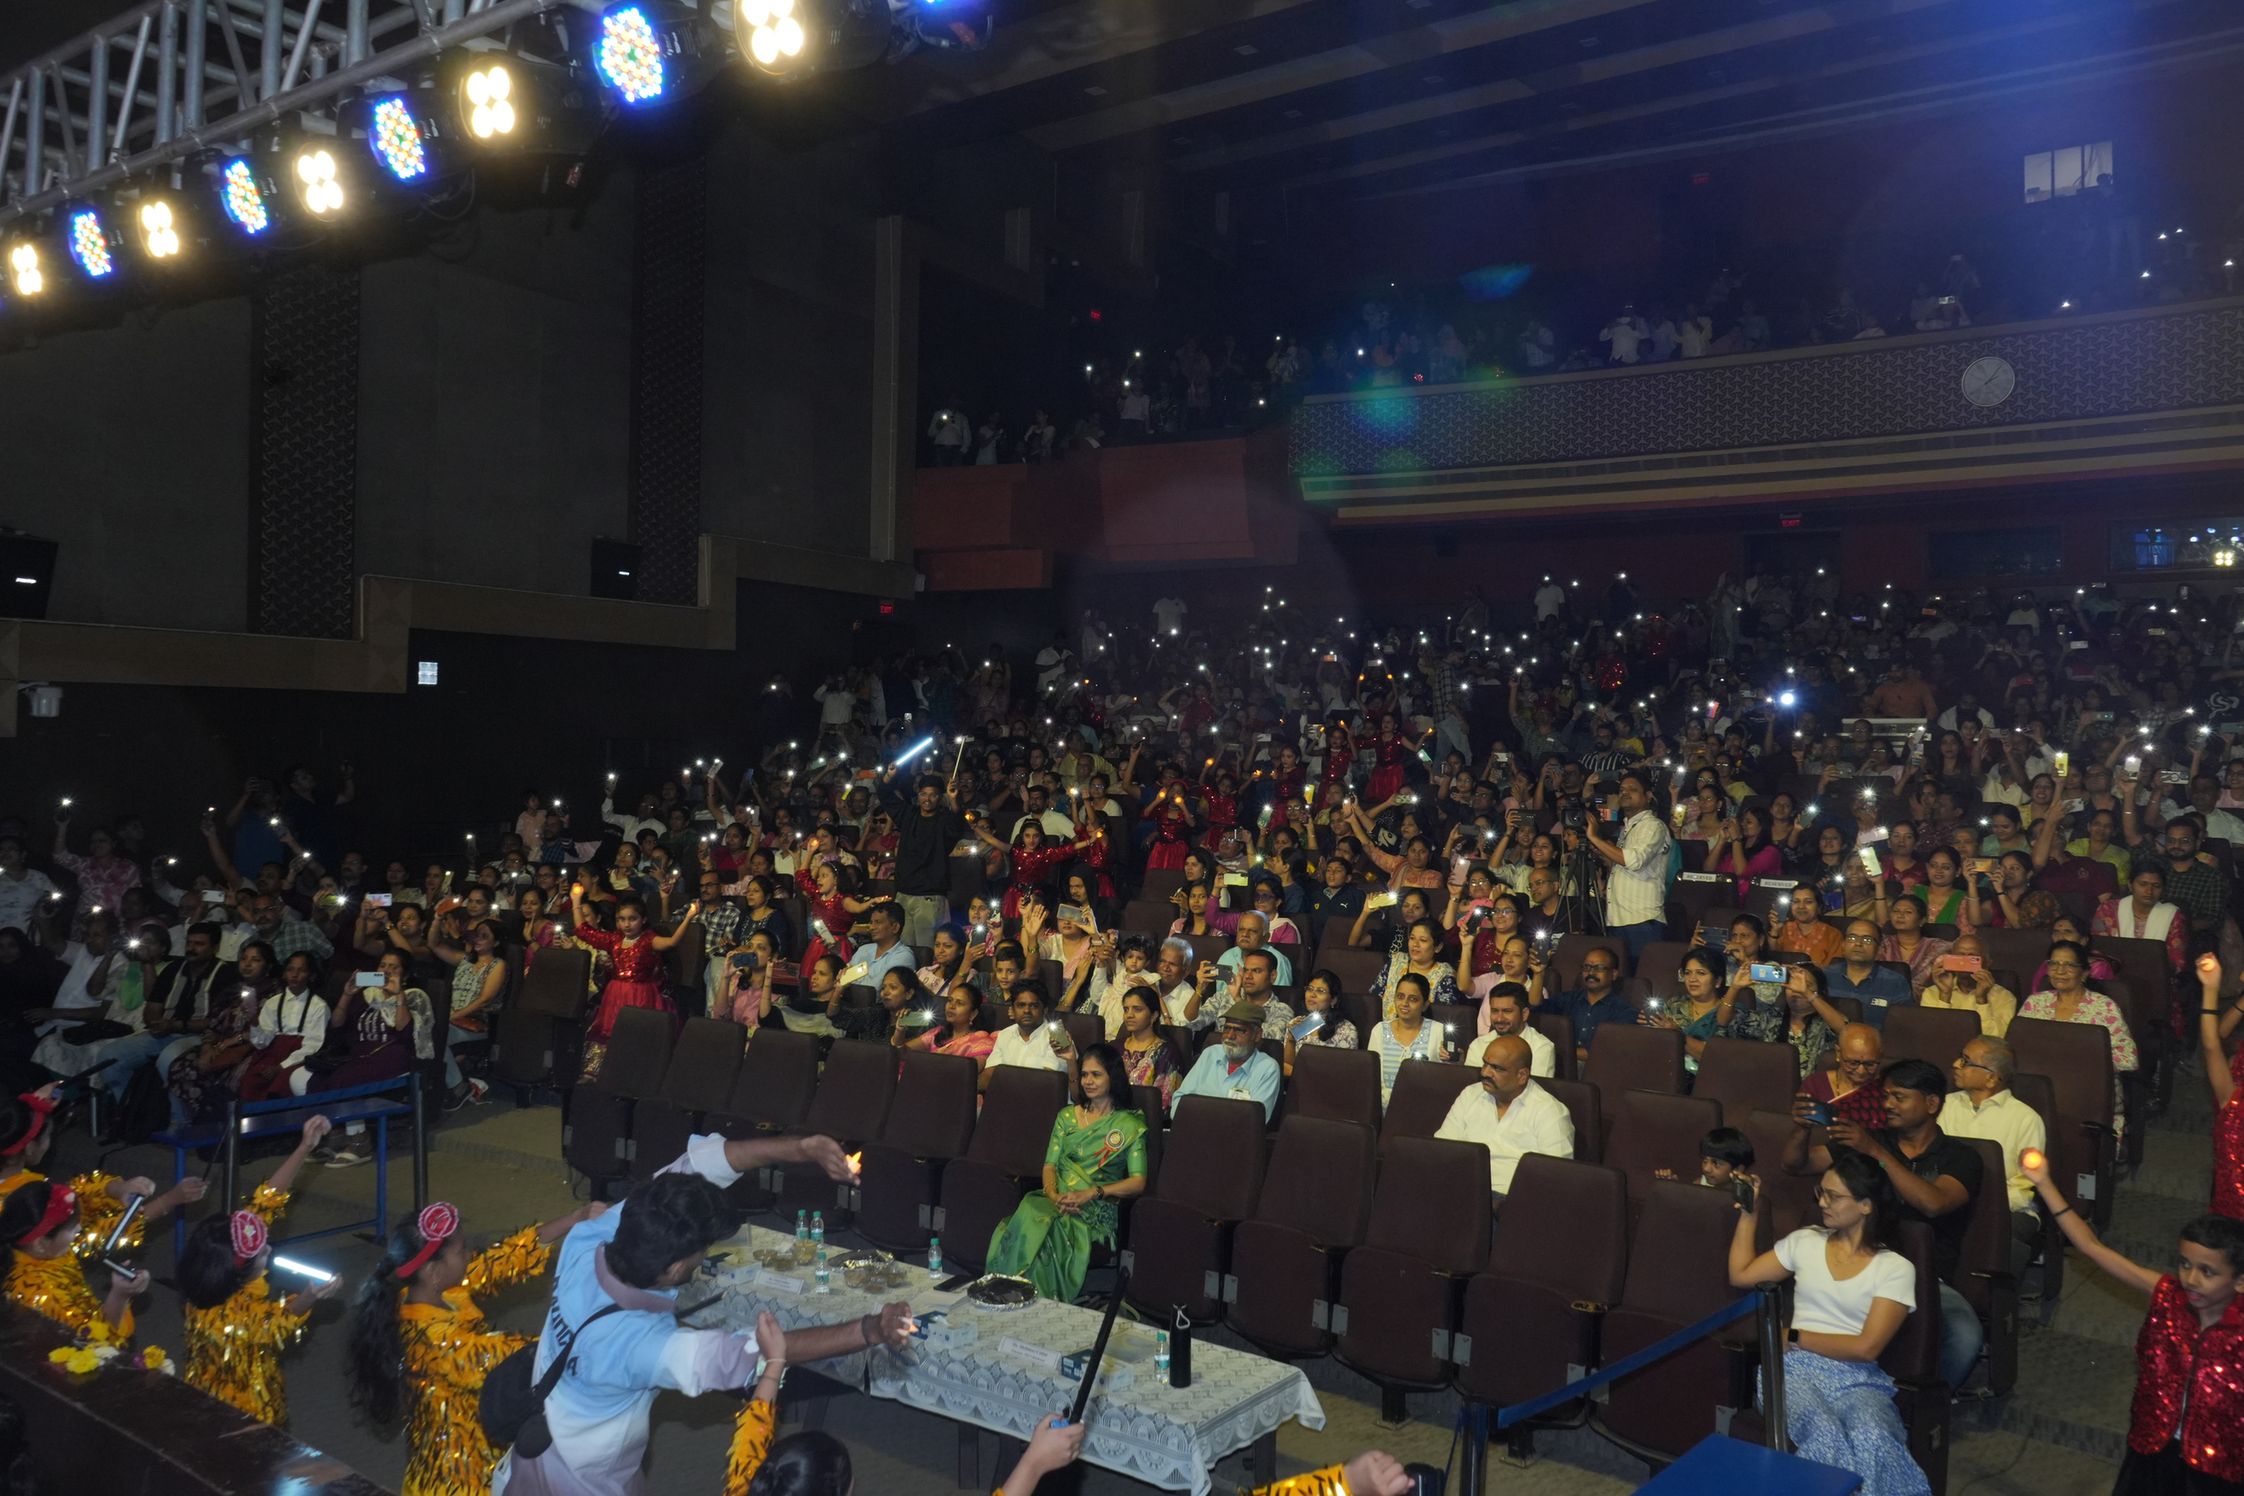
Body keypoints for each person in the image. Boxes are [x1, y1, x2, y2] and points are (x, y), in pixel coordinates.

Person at [500, 1131, 912, 1496]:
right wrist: (870, 1330)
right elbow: (760, 1352)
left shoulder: (591, 1237)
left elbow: (700, 1165)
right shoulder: (644, 1347)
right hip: (584, 1483)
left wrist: (804, 1148)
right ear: (676, 1268)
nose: (703, 1258)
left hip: (525, 1460)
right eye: (703, 1251)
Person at [2018, 1151, 2244, 1495]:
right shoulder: (2167, 1297)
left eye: (2208, 1272)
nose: (2191, 1279)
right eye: (2185, 1264)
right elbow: (2090, 1247)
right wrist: (2044, 1183)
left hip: (2217, 1470)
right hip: (2152, 1449)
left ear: (2239, 1281)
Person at [346, 1199, 604, 1496]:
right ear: (433, 1271)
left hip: (462, 1467)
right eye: (461, 1251)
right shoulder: (435, 1343)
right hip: (459, 1484)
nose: (470, 1254)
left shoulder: (427, 1294)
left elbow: (501, 1260)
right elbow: (516, 1357)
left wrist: (573, 1218)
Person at [1727, 1150, 1932, 1496]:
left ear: (1865, 1205)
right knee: (1823, 1431)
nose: (1822, 1202)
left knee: (1874, 1434)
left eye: (1833, 1196)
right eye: (1820, 1192)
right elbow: (1742, 1274)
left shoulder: (1895, 1268)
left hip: (1857, 1377)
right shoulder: (1805, 1241)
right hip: (1793, 1369)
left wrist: (1794, 1335)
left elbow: (1867, 1348)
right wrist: (1750, 1214)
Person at [1785, 1059, 1986, 1392]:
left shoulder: (1961, 1157)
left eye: (1899, 1097)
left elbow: (1933, 1203)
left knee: (1964, 1336)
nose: (1888, 1104)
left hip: (1925, 1277)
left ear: (1931, 1104)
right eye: (1886, 1096)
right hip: (1857, 1263)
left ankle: (1921, 1405)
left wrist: (1874, 1151)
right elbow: (1798, 1164)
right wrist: (1801, 1130)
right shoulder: (1870, 1139)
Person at [178, 1117, 339, 1423]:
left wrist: (304, 1147)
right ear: (237, 1272)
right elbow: (276, 1324)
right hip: (241, 1415)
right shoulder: (225, 1320)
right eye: (262, 1252)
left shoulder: (219, 1265)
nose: (268, 1249)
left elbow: (265, 1203)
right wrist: (309, 1296)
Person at [985, 1042, 1148, 1302]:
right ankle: (1009, 1291)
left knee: (1049, 1231)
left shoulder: (1129, 1125)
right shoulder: (1067, 1117)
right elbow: (1049, 1165)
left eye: (1096, 1075)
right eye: (1084, 1075)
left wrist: (1092, 1193)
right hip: (1058, 1197)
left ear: (1113, 1077)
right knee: (1029, 1214)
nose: (1088, 1081)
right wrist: (1053, 1195)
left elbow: (1138, 1182)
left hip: (1097, 1207)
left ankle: (1035, 1300)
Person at [567, 886, 699, 1084]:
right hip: (615, 994)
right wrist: (576, 900)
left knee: (637, 1032)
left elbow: (671, 942)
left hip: (641, 994)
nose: (626, 924)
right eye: (621, 919)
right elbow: (582, 931)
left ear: (643, 919)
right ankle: (594, 1072)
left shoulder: (648, 940)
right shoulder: (614, 939)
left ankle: (634, 1075)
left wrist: (688, 917)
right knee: (607, 1029)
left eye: (632, 919)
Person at [1939, 1035, 2047, 1274]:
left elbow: (2023, 1187)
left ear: (1991, 1078)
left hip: (2006, 1209)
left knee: (1996, 1239)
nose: (1956, 1064)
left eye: (1966, 1061)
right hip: (1947, 1198)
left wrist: (1982, 1206)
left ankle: (1993, 1293)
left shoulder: (2026, 1120)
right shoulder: (1945, 1105)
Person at [1, 1176, 151, 1343]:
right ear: (41, 1243)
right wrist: (120, 1295)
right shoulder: (41, 1293)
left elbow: (82, 1192)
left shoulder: (33, 1244)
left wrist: (118, 1189)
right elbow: (98, 1344)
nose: (79, 1228)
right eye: (72, 1228)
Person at [1433, 1036, 1575, 1202]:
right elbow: (1442, 1150)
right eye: (1485, 1064)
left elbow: (1557, 1179)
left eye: (1497, 1068)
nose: (1485, 1073)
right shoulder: (1470, 1094)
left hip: (1517, 1202)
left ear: (1522, 1075)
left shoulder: (1550, 1111)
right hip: (1461, 1192)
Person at [2018, 938, 2138, 1131]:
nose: (2060, 971)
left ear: (2084, 973)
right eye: (2054, 964)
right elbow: (2017, 1047)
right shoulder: (2035, 1003)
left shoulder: (2104, 1007)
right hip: (2041, 1086)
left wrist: (2078, 1063)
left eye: (2069, 965)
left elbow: (2128, 1059)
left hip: (2087, 1090)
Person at [1584, 770, 1671, 964]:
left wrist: (1595, 838)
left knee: (1641, 977)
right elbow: (1625, 865)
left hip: (1642, 920)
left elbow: (1634, 861)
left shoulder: (1653, 825)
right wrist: (1604, 855)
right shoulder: (1627, 827)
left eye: (1633, 789)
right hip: (1618, 918)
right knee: (1621, 977)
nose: (1625, 792)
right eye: (1622, 789)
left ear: (1648, 796)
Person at [1174, 1006, 1282, 1119]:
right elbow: (1178, 1102)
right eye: (1226, 1028)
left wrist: (1201, 1114)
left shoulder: (1267, 1068)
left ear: (1257, 1035)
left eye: (1239, 1030)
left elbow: (1255, 1120)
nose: (1230, 1036)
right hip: (1193, 1127)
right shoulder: (1210, 1054)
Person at [1367, 973, 1454, 1103]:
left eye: (1413, 999)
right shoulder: (1379, 1030)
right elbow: (1370, 1078)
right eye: (1400, 997)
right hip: (1384, 1106)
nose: (1404, 1003)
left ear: (1425, 1005)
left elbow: (1448, 1076)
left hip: (1425, 1103)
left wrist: (1455, 1061)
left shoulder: (1438, 1030)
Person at [1914, 935, 2015, 1037]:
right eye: (1960, 955)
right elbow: (1932, 1036)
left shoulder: (2005, 997)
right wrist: (1944, 996)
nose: (1965, 960)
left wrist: (1981, 1000)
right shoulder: (1931, 993)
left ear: (1987, 963)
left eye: (1972, 956)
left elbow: (1996, 1040)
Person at [1801, 1022, 1891, 1133]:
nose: (1861, 1071)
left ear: (1880, 1057)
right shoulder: (1815, 1084)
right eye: (1853, 1063)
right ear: (1838, 1053)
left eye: (1870, 1064)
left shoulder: (1886, 1090)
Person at [1823, 919, 1913, 1028]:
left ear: (1879, 949)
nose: (1858, 944)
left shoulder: (1896, 982)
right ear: (1843, 945)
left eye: (1867, 940)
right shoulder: (1824, 976)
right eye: (1852, 938)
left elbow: (1905, 1026)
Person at [985, 982, 1073, 1090]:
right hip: (1007, 1095)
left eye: (1033, 1006)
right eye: (1021, 1005)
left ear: (1045, 1010)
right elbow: (989, 1075)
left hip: (1042, 1098)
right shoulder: (1005, 1034)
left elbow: (1048, 1082)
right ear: (1012, 1009)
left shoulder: (1058, 1035)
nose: (1026, 1011)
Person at [1553, 947, 1632, 1066]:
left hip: (1596, 1068)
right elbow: (1534, 1010)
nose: (1591, 973)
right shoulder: (1567, 999)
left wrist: (1554, 1049)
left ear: (1614, 974)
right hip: (1558, 1062)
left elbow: (1603, 1053)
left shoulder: (1624, 1011)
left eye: (1599, 968)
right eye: (1586, 967)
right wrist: (1539, 974)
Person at [1462, 982, 1554, 1076]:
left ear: (1524, 1014)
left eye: (1507, 1011)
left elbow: (1534, 1085)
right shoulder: (1478, 1045)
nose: (1499, 1018)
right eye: (1495, 1011)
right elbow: (1472, 1084)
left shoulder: (1542, 1048)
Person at [1283, 970, 1359, 1074]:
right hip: (1296, 1081)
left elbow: (1346, 1071)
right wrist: (1291, 1041)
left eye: (1320, 991)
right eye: (1309, 989)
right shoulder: (1296, 1023)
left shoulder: (1346, 1029)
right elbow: (1286, 1068)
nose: (1312, 994)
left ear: (1333, 1000)